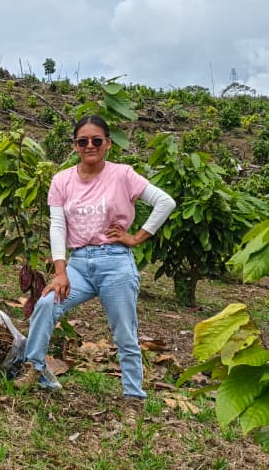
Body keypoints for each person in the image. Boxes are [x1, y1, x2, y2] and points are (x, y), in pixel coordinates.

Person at [14, 116, 176, 400]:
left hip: (116, 263)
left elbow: (165, 202)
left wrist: (137, 237)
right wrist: (60, 272)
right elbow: (58, 226)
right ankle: (34, 367)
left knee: (124, 332)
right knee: (46, 304)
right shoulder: (62, 180)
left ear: (108, 144)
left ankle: (133, 396)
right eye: (83, 141)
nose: (90, 145)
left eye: (97, 140)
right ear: (75, 145)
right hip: (78, 264)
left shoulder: (123, 175)